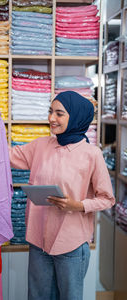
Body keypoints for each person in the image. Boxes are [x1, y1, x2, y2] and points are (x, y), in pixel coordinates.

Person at [7, 91, 115, 300]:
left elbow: (107, 198)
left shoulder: (91, 154)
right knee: (37, 296)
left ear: (75, 117)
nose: (51, 118)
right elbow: (7, 155)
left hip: (71, 244)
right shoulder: (41, 145)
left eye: (59, 113)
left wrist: (78, 205)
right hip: (39, 240)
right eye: (50, 112)